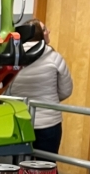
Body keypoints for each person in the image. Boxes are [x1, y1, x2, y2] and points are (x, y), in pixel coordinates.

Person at [6, 19, 74, 153]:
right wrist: (48, 99)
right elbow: (66, 90)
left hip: (21, 119)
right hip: (49, 122)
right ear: (41, 35)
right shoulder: (54, 57)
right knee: (47, 166)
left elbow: (7, 89)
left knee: (21, 164)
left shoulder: (12, 57)